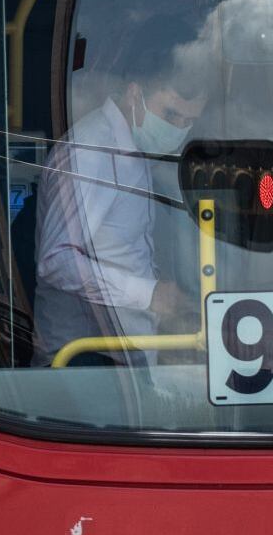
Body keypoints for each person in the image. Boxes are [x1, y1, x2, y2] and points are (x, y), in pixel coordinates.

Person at [34, 18, 206, 365]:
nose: (179, 130)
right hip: (85, 361)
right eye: (171, 114)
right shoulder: (90, 151)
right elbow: (56, 260)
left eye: (189, 121)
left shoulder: (138, 146)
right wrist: (149, 294)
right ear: (133, 93)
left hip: (127, 351)